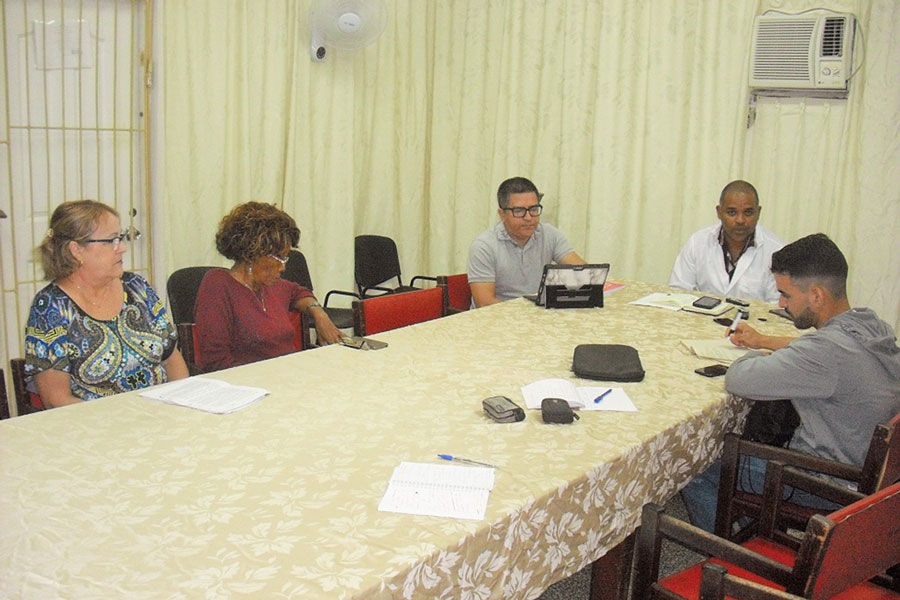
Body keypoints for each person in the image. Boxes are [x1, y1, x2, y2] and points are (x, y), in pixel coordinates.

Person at [681, 233, 900, 532]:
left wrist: (757, 351)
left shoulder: (824, 353)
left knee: (692, 464)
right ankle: (756, 526)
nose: (782, 304)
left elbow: (739, 379)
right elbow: (820, 347)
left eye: (786, 294)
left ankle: (731, 552)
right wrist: (767, 340)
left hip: (827, 483)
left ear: (817, 295)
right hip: (873, 479)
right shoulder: (869, 324)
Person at [24, 200, 189, 407]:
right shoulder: (51, 307)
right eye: (111, 240)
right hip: (96, 427)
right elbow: (56, 399)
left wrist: (182, 404)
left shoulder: (136, 287)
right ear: (76, 250)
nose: (122, 248)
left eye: (119, 238)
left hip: (160, 413)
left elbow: (171, 359)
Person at [195, 202, 342, 372]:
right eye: (279, 258)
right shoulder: (217, 285)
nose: (283, 267)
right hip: (249, 385)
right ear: (252, 253)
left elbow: (299, 292)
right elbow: (216, 362)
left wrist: (319, 314)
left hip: (287, 376)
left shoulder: (272, 285)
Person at [467, 177, 586, 307]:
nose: (529, 218)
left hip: (537, 313)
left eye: (534, 209)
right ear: (502, 214)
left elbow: (583, 272)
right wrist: (527, 315)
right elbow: (484, 303)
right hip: (499, 318)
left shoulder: (549, 234)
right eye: (519, 211)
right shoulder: (484, 246)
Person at [669, 180, 783, 302]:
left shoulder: (777, 252)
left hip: (754, 321)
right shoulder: (697, 243)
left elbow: (777, 307)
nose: (740, 220)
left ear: (758, 213)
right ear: (719, 212)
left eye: (748, 213)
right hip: (702, 319)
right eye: (732, 212)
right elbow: (678, 293)